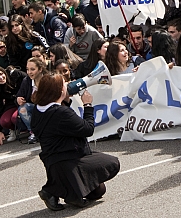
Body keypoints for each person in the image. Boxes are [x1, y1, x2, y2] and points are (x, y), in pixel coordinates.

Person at [31, 73, 120, 210]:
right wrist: (88, 105)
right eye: (64, 84)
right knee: (112, 163)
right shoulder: (61, 113)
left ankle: (57, 190)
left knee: (98, 190)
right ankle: (63, 193)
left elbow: (60, 125)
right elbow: (87, 129)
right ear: (60, 91)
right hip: (69, 159)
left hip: (53, 161)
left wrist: (65, 100)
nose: (68, 85)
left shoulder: (38, 110)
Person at [0, 64, 27, 145]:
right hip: (12, 104)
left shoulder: (15, 75)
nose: (1, 77)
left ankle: (31, 130)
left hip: (25, 101)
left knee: (15, 118)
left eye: (1, 74)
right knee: (4, 121)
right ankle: (13, 130)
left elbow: (28, 81)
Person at [17, 56, 48, 144]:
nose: (29, 72)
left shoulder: (48, 80)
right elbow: (19, 95)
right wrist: (18, 99)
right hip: (34, 108)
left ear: (40, 69)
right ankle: (34, 132)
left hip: (48, 108)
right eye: (27, 69)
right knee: (23, 108)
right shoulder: (26, 81)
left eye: (32, 69)